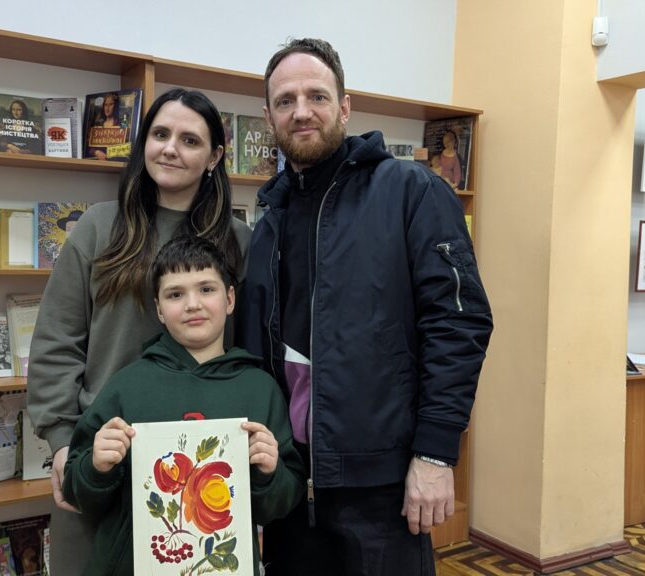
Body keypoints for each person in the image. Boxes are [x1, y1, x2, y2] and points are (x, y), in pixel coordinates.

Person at [239, 38, 493, 575]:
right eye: (285, 101)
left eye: (317, 96)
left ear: (345, 107)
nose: (301, 111)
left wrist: (435, 453)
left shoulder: (410, 190)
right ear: (268, 116)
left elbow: (459, 323)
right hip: (290, 485)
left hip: (382, 488)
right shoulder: (270, 218)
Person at [27, 87, 252, 576]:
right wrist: (63, 443)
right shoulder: (98, 227)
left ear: (214, 157)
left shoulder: (238, 241)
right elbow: (56, 342)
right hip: (102, 457)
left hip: (199, 467)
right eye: (160, 134)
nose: (171, 148)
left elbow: (247, 354)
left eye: (190, 140)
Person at [61, 236, 304, 575]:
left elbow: (280, 503)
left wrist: (269, 473)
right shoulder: (126, 386)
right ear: (159, 309)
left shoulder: (260, 389)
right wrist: (96, 466)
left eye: (206, 289)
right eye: (175, 294)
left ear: (230, 299)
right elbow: (76, 491)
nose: (192, 304)